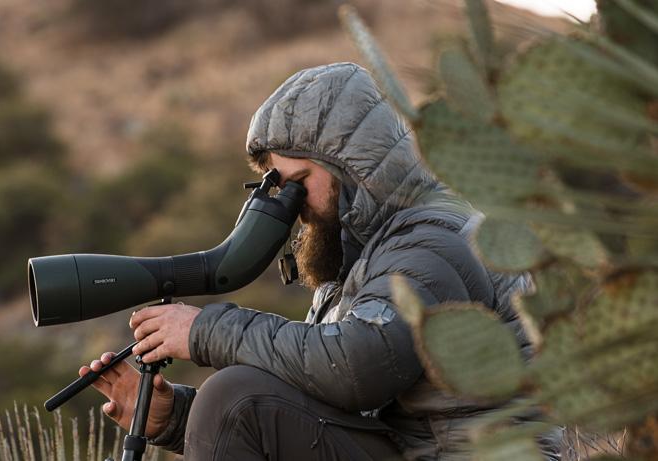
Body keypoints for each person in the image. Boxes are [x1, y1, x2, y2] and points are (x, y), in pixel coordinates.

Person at [78, 62, 560, 460]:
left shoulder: (430, 240)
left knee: (237, 396)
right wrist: (175, 418)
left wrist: (206, 331)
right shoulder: (359, 253)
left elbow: (359, 369)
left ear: (349, 166)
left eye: (297, 179)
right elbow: (324, 415)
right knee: (235, 400)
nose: (288, 201)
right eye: (273, 183)